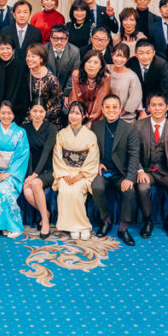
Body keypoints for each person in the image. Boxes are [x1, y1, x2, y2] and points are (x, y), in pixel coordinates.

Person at [89, 94, 142, 245]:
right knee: (96, 187)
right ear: (102, 109)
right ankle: (106, 221)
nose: (111, 110)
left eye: (114, 107)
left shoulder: (130, 129)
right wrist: (97, 163)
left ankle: (123, 228)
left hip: (121, 173)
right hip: (103, 171)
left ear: (120, 109)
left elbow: (134, 156)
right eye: (107, 107)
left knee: (129, 190)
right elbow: (90, 150)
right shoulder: (95, 126)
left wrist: (129, 178)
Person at [134, 94, 168, 238]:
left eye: (160, 105)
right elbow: (133, 152)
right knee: (143, 188)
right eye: (153, 105)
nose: (157, 108)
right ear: (148, 107)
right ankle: (147, 221)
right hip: (146, 170)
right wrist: (139, 170)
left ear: (167, 107)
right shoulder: (138, 126)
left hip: (166, 171)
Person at [53, 101, 100, 240]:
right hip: (65, 171)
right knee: (64, 190)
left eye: (77, 113)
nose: (73, 116)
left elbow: (93, 157)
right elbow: (57, 155)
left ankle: (83, 226)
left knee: (77, 191)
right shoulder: (61, 134)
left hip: (82, 173)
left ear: (84, 116)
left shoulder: (90, 135)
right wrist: (64, 174)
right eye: (71, 112)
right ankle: (72, 227)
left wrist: (81, 175)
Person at [0, 102, 30, 237]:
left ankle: (15, 227)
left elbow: (22, 156)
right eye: (3, 113)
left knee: (6, 190)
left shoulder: (20, 132)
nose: (6, 116)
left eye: (9, 113)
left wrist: (8, 174)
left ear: (14, 115)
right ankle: (3, 225)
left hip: (12, 173)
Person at [21, 102, 58, 238]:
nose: (38, 114)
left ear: (45, 113)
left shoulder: (51, 128)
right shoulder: (24, 129)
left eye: (41, 111)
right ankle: (46, 213)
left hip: (48, 169)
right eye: (35, 111)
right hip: (31, 169)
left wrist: (35, 175)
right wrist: (30, 174)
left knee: (35, 183)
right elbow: (27, 153)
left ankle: (45, 223)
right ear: (30, 112)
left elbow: (46, 152)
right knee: (27, 191)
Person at [127, 40, 168, 118]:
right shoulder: (131, 63)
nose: (145, 57)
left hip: (156, 104)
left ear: (153, 53)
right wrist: (141, 110)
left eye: (148, 53)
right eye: (141, 53)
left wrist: (150, 110)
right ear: (136, 54)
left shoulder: (161, 64)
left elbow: (166, 90)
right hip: (136, 104)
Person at [68, 50, 110, 127]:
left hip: (97, 108)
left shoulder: (106, 77)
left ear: (101, 66)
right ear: (84, 63)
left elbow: (100, 100)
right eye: (88, 62)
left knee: (94, 127)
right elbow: (77, 96)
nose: (91, 65)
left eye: (95, 62)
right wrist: (82, 115)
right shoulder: (76, 74)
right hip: (78, 104)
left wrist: (91, 120)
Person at [25, 42, 62, 126]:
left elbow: (58, 104)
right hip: (29, 116)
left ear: (41, 59)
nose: (29, 59)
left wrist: (40, 116)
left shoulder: (51, 79)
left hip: (46, 119)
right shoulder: (25, 73)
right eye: (28, 56)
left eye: (33, 56)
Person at [0, 38, 29, 120]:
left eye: (8, 48)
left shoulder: (21, 66)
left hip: (15, 111)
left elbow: (23, 94)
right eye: (2, 49)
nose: (5, 52)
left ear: (13, 50)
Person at [107, 43, 142, 120]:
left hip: (123, 117)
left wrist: (120, 114)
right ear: (112, 55)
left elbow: (134, 99)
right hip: (105, 114)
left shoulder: (132, 76)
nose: (119, 60)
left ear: (127, 58)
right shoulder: (105, 69)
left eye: (123, 57)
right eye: (117, 56)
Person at [46, 24, 80, 91]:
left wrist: (66, 93)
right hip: (47, 89)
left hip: (66, 89)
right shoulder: (44, 49)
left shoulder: (74, 51)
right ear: (50, 38)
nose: (59, 42)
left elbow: (73, 76)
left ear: (67, 39)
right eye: (55, 38)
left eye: (62, 39)